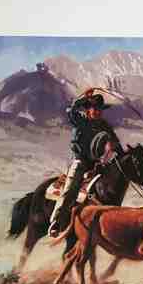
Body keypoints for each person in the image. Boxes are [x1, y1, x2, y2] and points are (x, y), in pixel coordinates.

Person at [48, 89, 122, 238]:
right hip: (81, 161)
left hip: (97, 164)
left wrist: (120, 152)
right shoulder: (80, 120)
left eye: (100, 109)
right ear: (88, 110)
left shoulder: (104, 126)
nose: (98, 112)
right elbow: (71, 111)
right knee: (71, 190)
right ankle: (56, 222)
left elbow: (114, 142)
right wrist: (83, 98)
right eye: (95, 109)